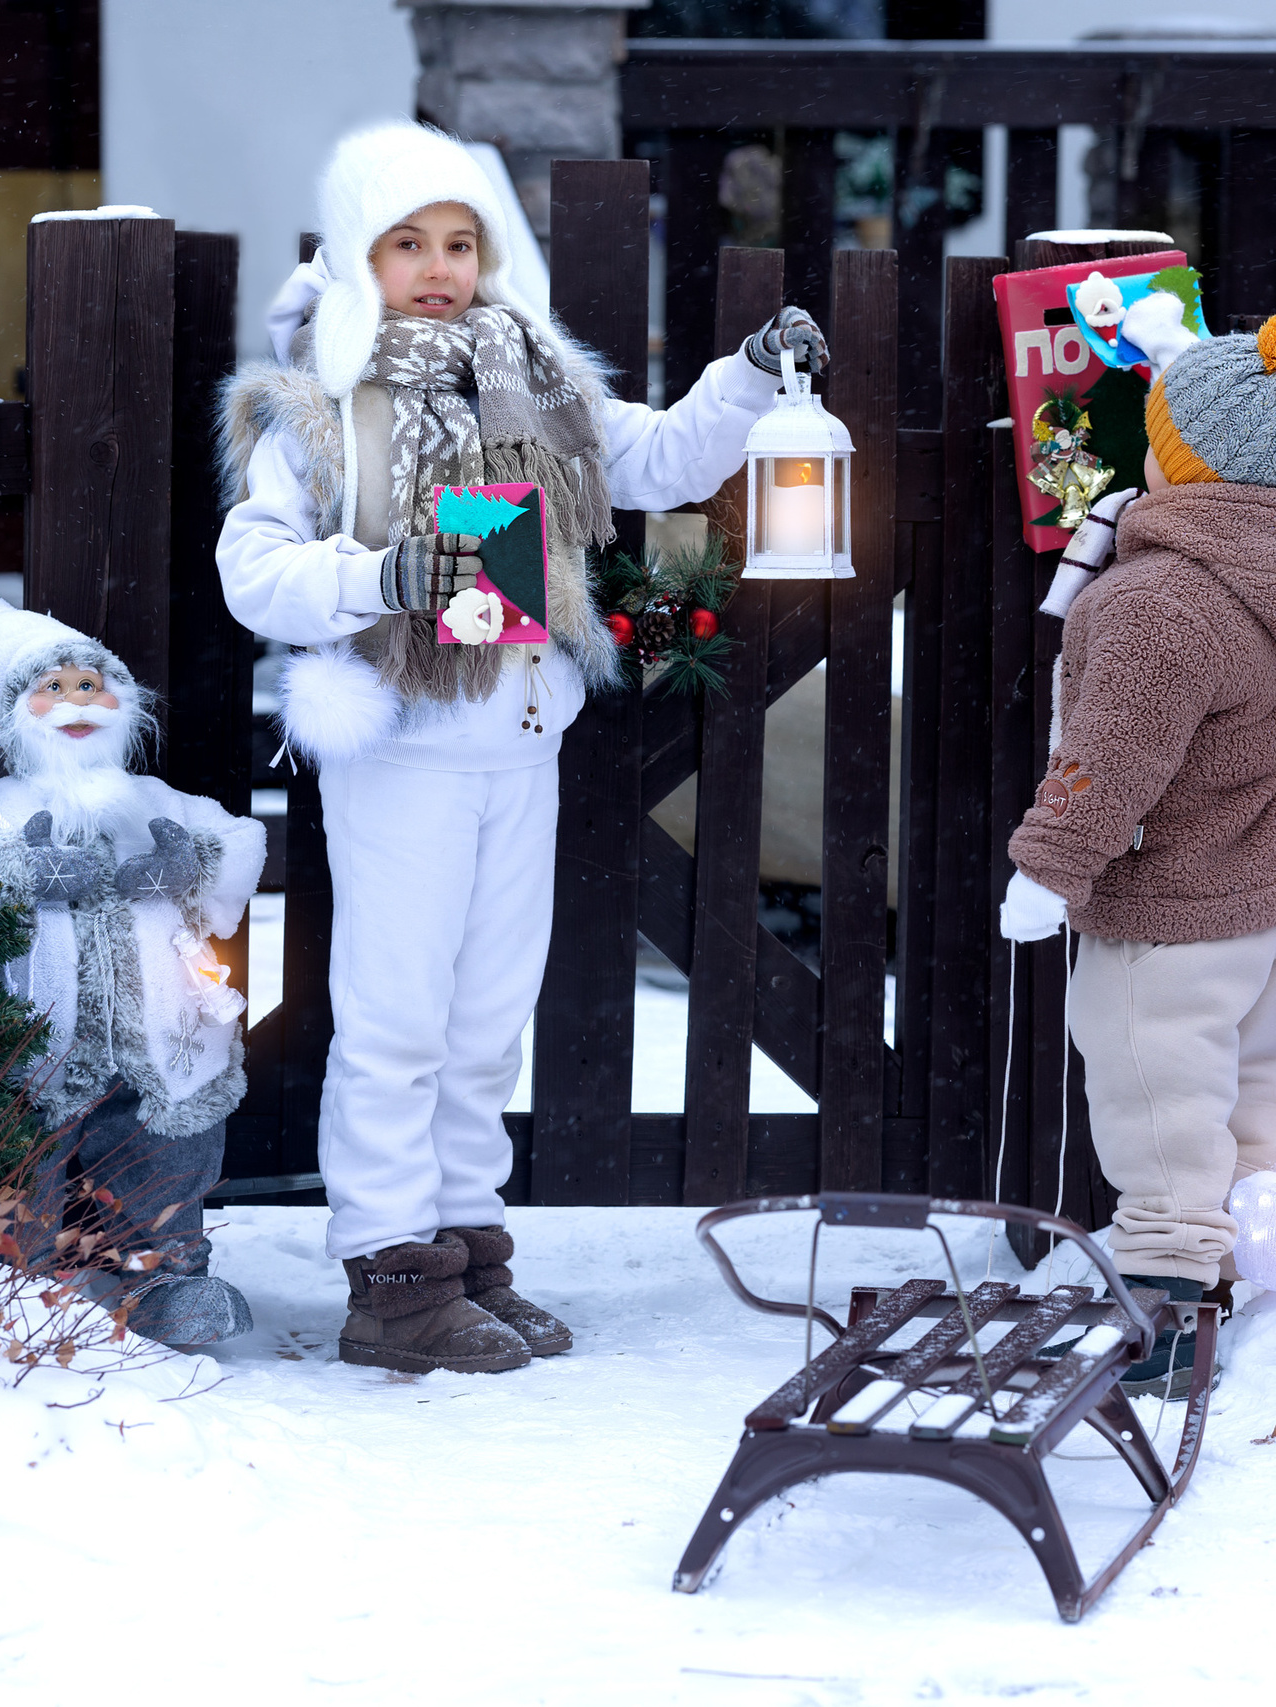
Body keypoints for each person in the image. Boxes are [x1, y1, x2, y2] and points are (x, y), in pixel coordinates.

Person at [216, 121, 825, 1375]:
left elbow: (656, 460)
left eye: (459, 240)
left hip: (524, 736)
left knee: (488, 1019)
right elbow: (253, 570)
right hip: (406, 750)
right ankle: (391, 1279)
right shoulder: (320, 413)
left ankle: (463, 1246)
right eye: (405, 243)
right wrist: (377, 570)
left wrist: (749, 377)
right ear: (354, 256)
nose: (437, 265)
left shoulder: (535, 386)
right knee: (396, 1020)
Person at [998, 311, 1276, 1397]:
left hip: (1167, 908)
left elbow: (1109, 761)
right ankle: (1254, 1265)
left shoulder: (1161, 603)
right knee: (1243, 1096)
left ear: (1181, 452)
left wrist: (1049, 868)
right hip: (1258, 894)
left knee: (1158, 1106)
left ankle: (1169, 1316)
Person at [0, 596, 267, 1349]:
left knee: (164, 1157)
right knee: (21, 1166)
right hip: (38, 1045)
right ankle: (20, 1281)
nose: (77, 703)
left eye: (91, 684)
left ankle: (164, 1276)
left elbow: (238, 843)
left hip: (159, 1044)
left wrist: (189, 865)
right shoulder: (3, 810)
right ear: (16, 715)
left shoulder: (151, 802)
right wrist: (14, 871)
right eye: (53, 689)